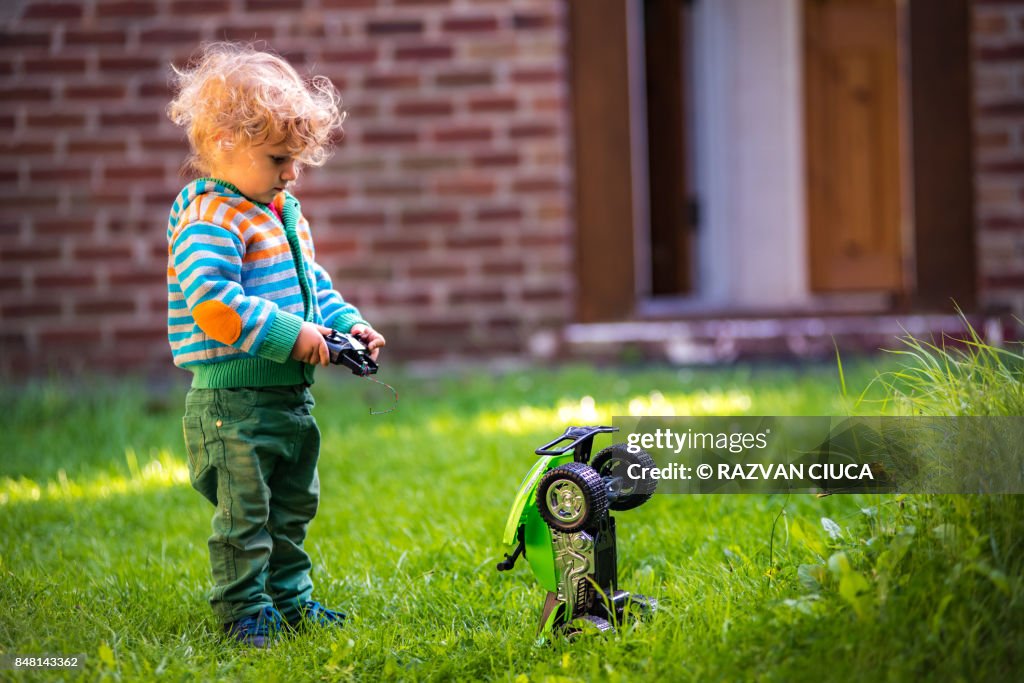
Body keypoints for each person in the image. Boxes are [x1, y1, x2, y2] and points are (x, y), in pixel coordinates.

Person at [165, 42, 384, 648]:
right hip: (232, 406)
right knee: (246, 518)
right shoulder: (212, 216)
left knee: (291, 512)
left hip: (288, 400)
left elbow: (313, 290)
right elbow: (212, 304)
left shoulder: (278, 211)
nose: (292, 172)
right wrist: (295, 337)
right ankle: (244, 614)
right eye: (279, 158)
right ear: (226, 144)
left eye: (298, 161)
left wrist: (347, 326)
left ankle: (291, 602)